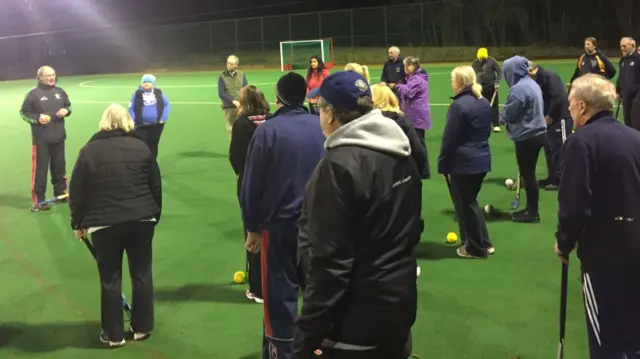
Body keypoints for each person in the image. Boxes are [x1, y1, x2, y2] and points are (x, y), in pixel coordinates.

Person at [295, 71, 421, 359]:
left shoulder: (337, 167)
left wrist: (307, 335)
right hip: (399, 306)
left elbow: (330, 264)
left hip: (356, 323)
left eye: (319, 108)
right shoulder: (400, 150)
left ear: (329, 114)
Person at [554, 73, 640, 359]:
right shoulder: (635, 137)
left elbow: (574, 204)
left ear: (581, 107)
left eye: (570, 104)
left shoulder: (581, 143)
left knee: (606, 339)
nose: (568, 109)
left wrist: (564, 243)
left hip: (605, 256)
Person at [241, 72, 326, 359]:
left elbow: (250, 184)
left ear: (277, 99)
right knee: (319, 291)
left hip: (279, 229)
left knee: (279, 297)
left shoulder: (267, 131)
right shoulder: (322, 127)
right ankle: (318, 347)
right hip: (319, 227)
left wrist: (252, 228)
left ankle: (282, 352)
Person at [69, 103, 162, 348]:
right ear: (127, 122)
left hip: (104, 226)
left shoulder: (88, 151)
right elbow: (156, 186)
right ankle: (142, 328)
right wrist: (154, 215)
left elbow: (77, 191)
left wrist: (77, 223)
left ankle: (114, 334)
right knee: (142, 274)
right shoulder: (141, 147)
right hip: (141, 221)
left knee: (110, 279)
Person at [438, 66, 494, 259]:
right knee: (471, 202)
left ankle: (476, 248)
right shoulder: (483, 101)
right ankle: (483, 242)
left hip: (464, 163)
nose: (451, 84)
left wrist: (442, 164)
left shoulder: (459, 106)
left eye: (452, 80)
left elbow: (449, 139)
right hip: (481, 158)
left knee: (465, 204)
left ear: (459, 83)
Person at [229, 85, 271, 304]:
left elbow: (235, 157)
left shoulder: (242, 124)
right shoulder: (271, 119)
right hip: (274, 183)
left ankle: (257, 288)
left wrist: (244, 174)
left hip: (249, 185)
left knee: (252, 232)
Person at [500, 55, 547, 223]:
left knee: (528, 175)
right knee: (529, 174)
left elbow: (510, 113)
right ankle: (530, 209)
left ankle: (532, 212)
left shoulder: (518, 89)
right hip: (537, 133)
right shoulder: (531, 83)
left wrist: (499, 118)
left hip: (527, 136)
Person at [19, 65, 72, 212]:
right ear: (40, 77)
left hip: (59, 137)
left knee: (60, 168)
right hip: (41, 140)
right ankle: (39, 200)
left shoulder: (60, 92)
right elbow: (24, 113)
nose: (51, 78)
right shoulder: (33, 94)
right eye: (48, 75)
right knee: (40, 171)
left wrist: (66, 111)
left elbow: (68, 106)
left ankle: (61, 193)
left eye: (53, 75)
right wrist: (38, 118)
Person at [528, 61, 572, 190]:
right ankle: (552, 178)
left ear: (531, 70)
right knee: (550, 148)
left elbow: (559, 98)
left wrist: (551, 116)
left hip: (561, 117)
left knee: (561, 148)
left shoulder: (549, 77)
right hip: (547, 118)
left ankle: (560, 180)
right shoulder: (535, 80)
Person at [371, 83, 428, 178]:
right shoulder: (402, 121)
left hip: (376, 175)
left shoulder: (367, 121)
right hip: (401, 175)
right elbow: (418, 151)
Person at [128, 74, 171, 159]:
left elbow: (167, 105)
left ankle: (152, 162)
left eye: (149, 82)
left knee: (153, 144)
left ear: (153, 83)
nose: (146, 83)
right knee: (142, 144)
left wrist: (163, 118)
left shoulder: (159, 93)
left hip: (156, 125)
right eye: (144, 82)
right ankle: (142, 161)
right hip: (141, 126)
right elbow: (131, 108)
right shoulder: (137, 94)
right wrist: (133, 120)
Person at [471, 47, 502, 132]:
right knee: (480, 106)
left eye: (483, 57)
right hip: (480, 88)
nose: (481, 59)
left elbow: (499, 71)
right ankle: (482, 123)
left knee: (494, 106)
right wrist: (474, 84)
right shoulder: (475, 63)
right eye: (480, 57)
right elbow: (472, 74)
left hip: (492, 86)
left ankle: (496, 124)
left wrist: (497, 82)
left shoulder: (492, 61)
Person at [218, 55, 248, 138]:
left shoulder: (242, 75)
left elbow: (245, 90)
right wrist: (233, 101)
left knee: (243, 129)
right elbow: (221, 93)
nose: (229, 65)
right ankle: (234, 150)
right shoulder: (222, 76)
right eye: (228, 63)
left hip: (241, 107)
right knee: (231, 131)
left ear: (236, 65)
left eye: (231, 64)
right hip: (229, 108)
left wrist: (243, 103)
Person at [616, 37, 640, 129]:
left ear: (632, 45)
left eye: (624, 46)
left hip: (636, 97)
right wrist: (618, 90)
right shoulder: (623, 59)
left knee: (636, 123)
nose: (622, 48)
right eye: (621, 46)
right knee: (627, 121)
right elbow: (621, 76)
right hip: (625, 96)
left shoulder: (638, 59)